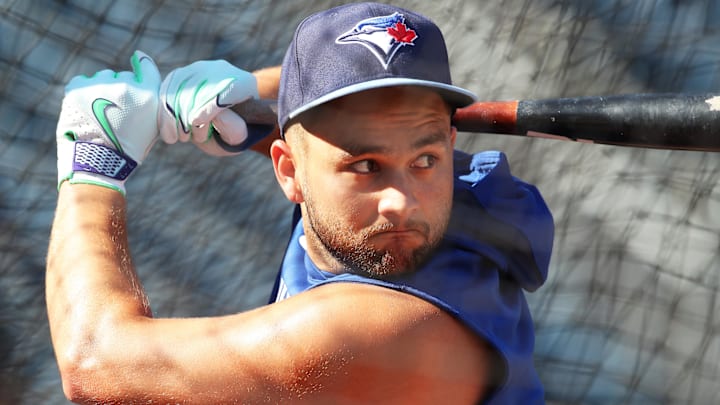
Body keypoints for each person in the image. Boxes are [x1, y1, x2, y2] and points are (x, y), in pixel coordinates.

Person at [46, 3, 553, 404]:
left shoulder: (371, 333)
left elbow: (96, 361)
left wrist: (94, 165)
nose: (401, 202)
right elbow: (327, 119)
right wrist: (243, 98)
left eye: (425, 160)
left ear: (447, 142)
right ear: (290, 170)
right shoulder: (458, 195)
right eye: (365, 167)